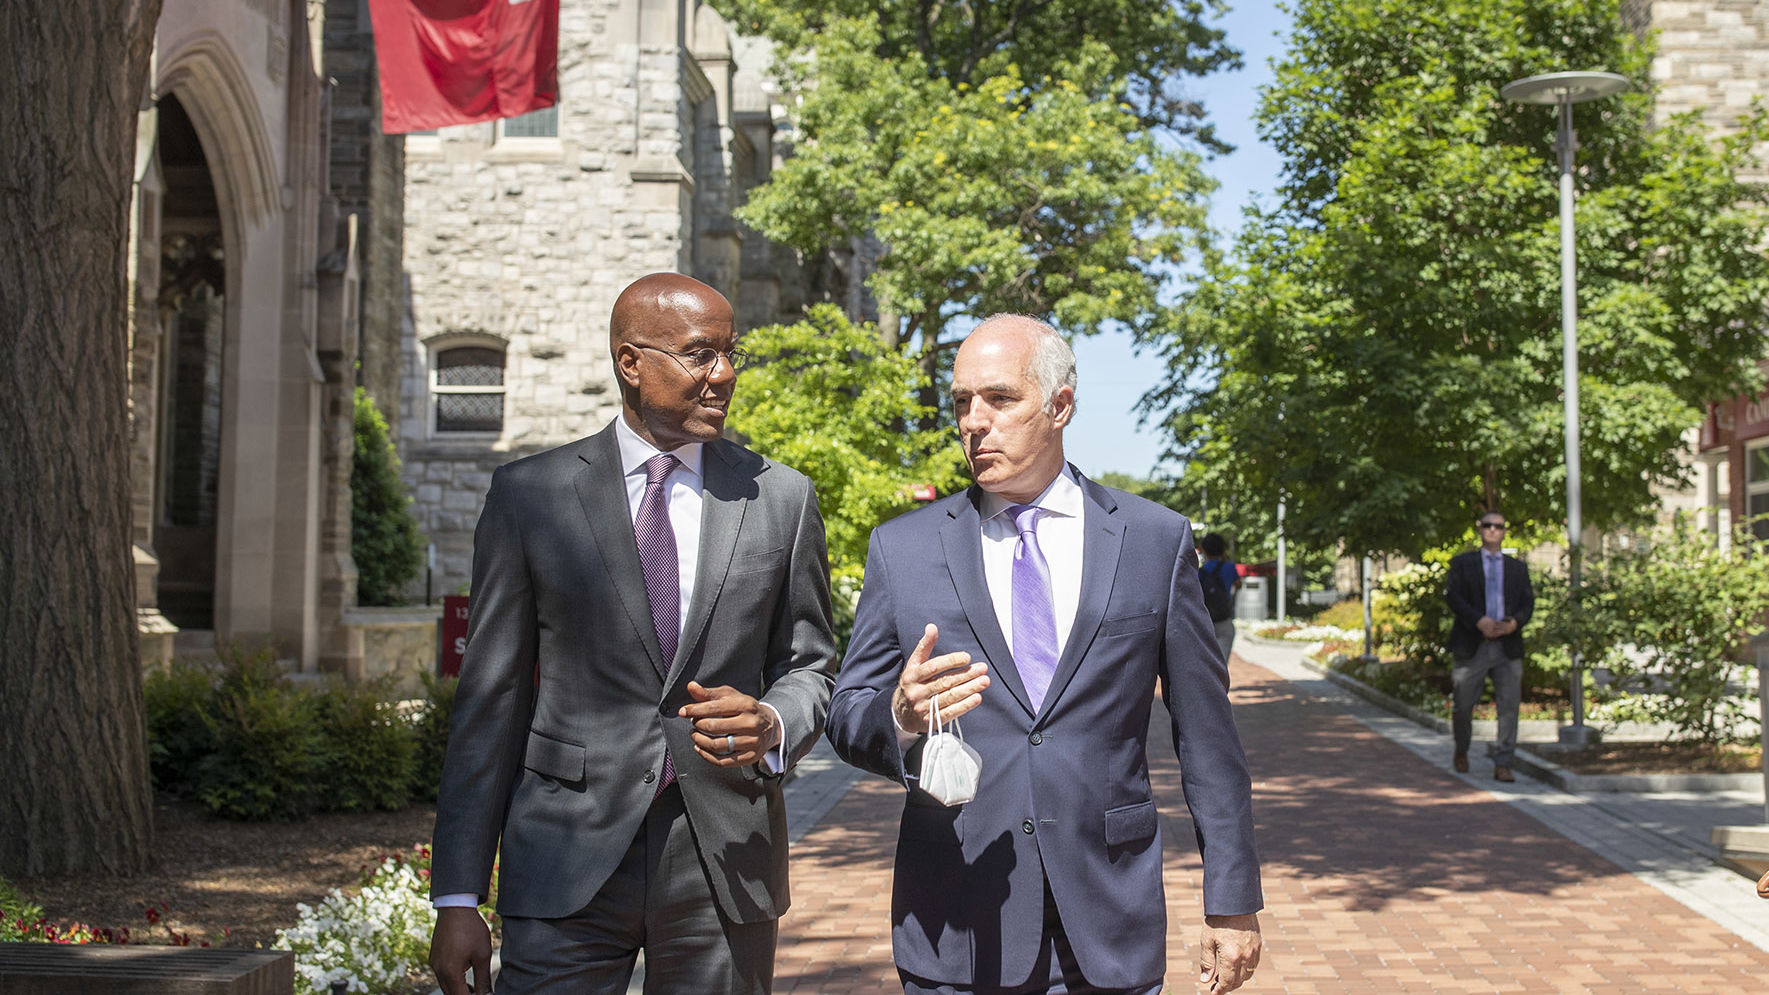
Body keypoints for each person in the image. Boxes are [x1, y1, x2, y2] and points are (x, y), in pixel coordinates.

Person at [826, 315, 1263, 995]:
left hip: (1107, 920)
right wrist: (900, 715)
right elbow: (847, 715)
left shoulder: (1153, 539)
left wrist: (1231, 900)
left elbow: (1207, 736)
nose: (973, 420)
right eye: (961, 402)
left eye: (998, 399)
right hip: (954, 924)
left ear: (1060, 405)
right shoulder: (902, 549)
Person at [426, 272, 838, 995]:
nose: (725, 374)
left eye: (730, 352)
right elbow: (488, 704)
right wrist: (458, 894)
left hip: (723, 854)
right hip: (563, 856)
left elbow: (810, 665)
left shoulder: (780, 497)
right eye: (701, 354)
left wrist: (773, 719)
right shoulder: (530, 496)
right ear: (630, 361)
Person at [1444, 511, 1535, 783]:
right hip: (1473, 644)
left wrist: (1513, 624)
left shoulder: (1517, 567)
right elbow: (1454, 598)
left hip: (1507, 646)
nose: (1493, 530)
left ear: (1504, 531)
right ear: (1480, 529)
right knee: (1462, 704)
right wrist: (1478, 621)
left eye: (1498, 526)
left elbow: (1527, 604)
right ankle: (1462, 748)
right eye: (1488, 525)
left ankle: (1503, 762)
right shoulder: (1463, 564)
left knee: (1509, 706)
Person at [1197, 533, 1242, 662]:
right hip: (1224, 619)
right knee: (1221, 664)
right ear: (1223, 549)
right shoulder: (1229, 568)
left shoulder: (1201, 572)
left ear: (1204, 550)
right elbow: (1238, 585)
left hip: (1205, 621)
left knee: (1206, 663)